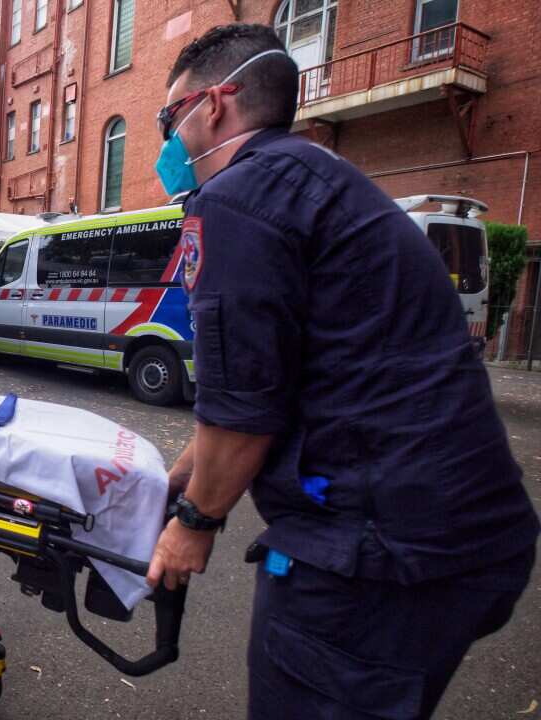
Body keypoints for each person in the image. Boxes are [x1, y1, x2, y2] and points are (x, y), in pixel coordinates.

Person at [143, 23, 538, 719]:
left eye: (169, 118)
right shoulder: (316, 180)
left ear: (216, 103)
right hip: (463, 535)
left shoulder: (235, 199)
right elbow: (286, 375)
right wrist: (177, 475)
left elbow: (242, 407)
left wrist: (192, 522)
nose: (167, 144)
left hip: (378, 554)